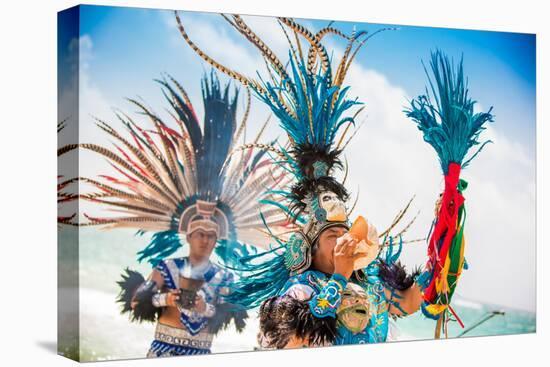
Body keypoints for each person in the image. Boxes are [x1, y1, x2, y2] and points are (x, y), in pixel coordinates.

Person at [73, 71, 290, 357]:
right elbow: (138, 302)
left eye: (212, 235)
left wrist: (206, 307)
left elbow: (229, 313)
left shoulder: (223, 277)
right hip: (161, 351)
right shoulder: (166, 268)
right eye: (201, 234)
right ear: (188, 234)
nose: (206, 239)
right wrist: (168, 298)